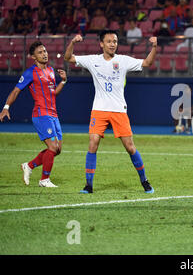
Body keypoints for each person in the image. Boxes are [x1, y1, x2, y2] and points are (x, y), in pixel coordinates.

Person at [64, 30, 158, 194]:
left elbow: (147, 63)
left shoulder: (123, 60)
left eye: (115, 41)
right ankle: (88, 185)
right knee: (93, 144)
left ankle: (145, 181)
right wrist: (72, 43)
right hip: (99, 109)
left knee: (130, 147)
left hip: (118, 110)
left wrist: (155, 47)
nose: (112, 44)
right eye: (109, 41)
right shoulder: (93, 60)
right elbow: (68, 58)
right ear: (101, 44)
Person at [0, 41, 67, 187]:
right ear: (33, 57)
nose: (44, 54)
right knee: (53, 147)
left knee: (58, 149)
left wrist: (63, 81)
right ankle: (44, 180)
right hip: (41, 114)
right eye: (40, 52)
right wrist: (6, 107)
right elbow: (16, 90)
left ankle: (29, 166)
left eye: (45, 51)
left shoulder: (50, 70)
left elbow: (53, 93)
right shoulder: (30, 73)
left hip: (53, 114)